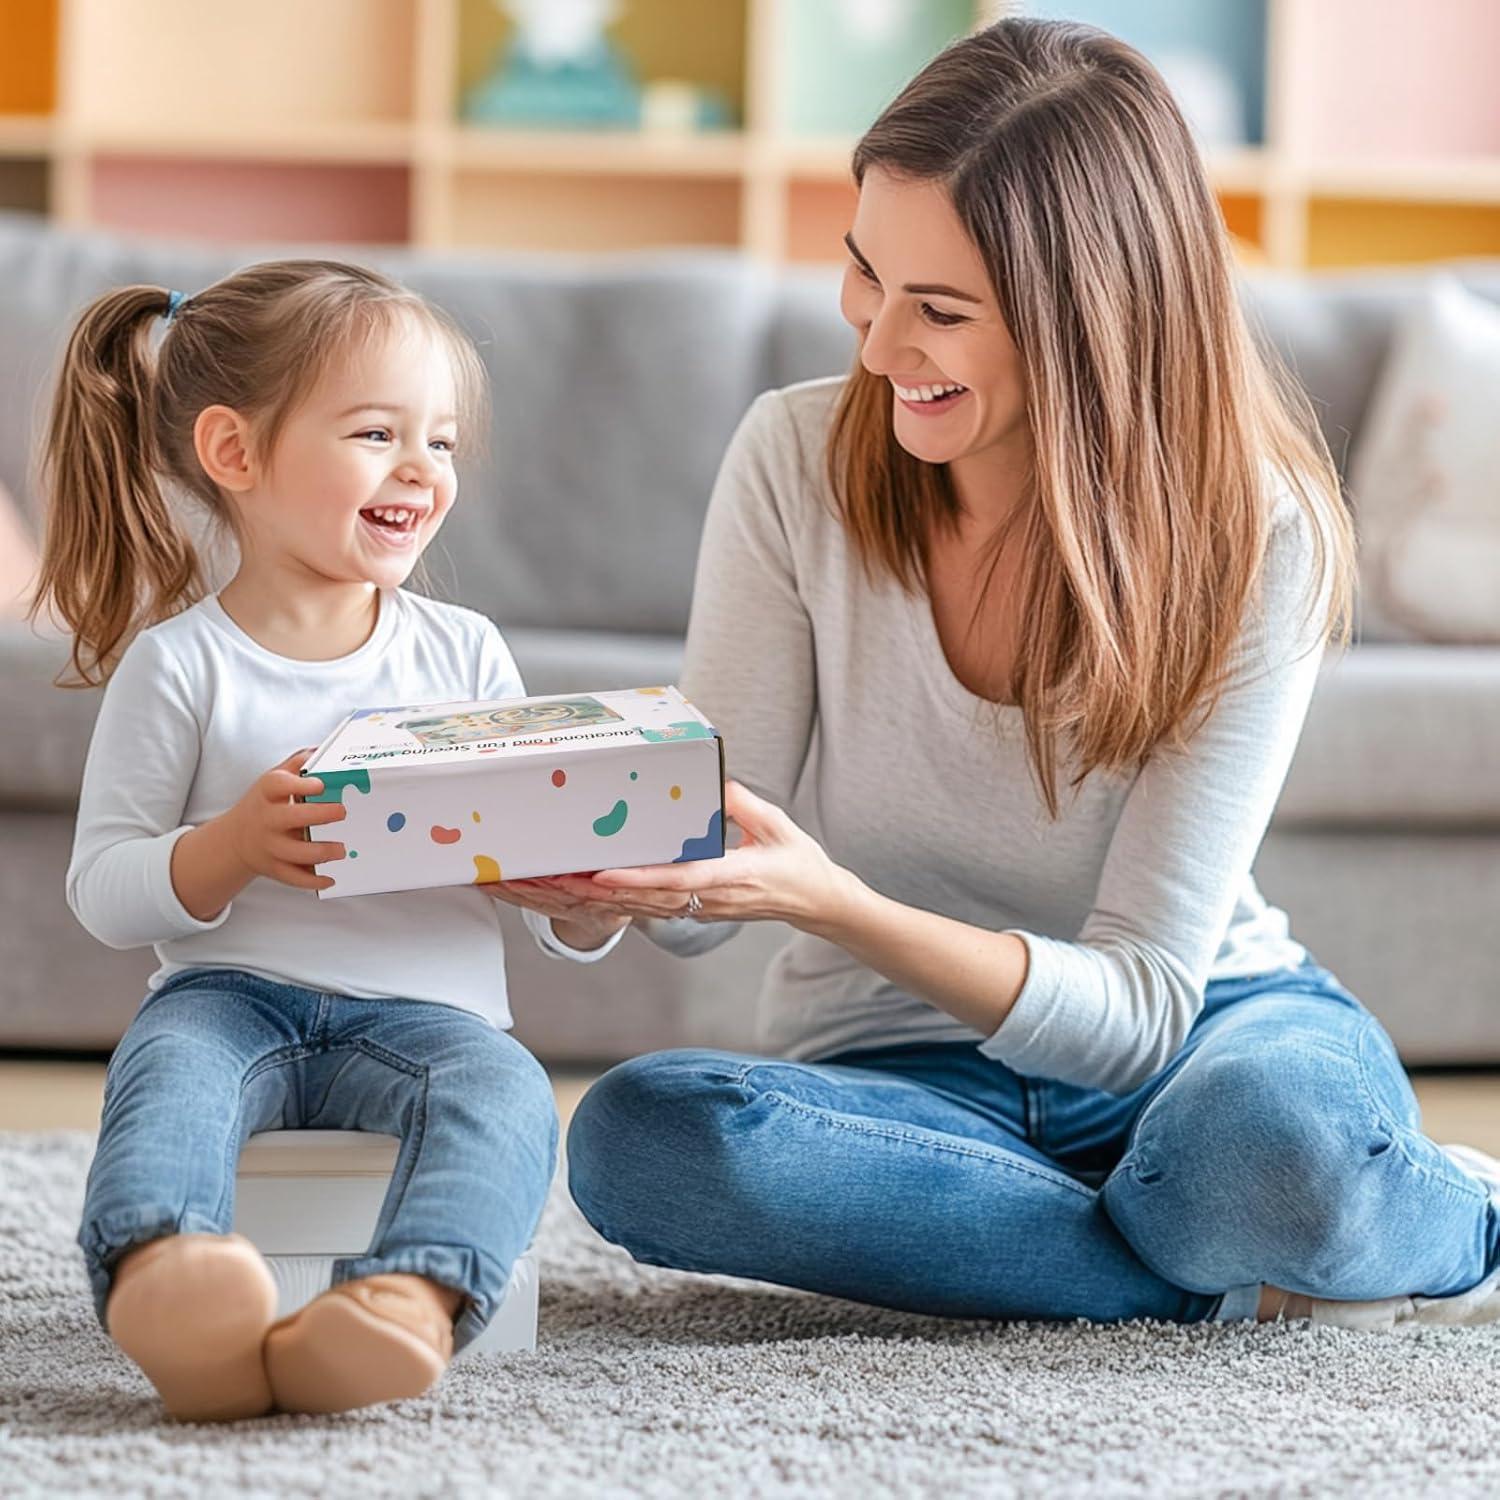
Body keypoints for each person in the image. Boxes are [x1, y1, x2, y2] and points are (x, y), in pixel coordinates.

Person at [492, 18, 1500, 1331]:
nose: (875, 346)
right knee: (650, 1137)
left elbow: (1140, 1009)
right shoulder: (793, 462)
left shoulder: (1259, 534)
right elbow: (701, 880)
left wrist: (838, 904)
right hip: (899, 1068)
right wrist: (588, 885)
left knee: (1265, 1141)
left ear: (1095, 322)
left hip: (1202, 1039)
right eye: (865, 274)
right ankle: (1215, 1261)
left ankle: (1441, 1217)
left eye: (942, 311)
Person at [30, 261, 623, 1420]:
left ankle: (406, 1299)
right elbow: (104, 891)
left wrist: (581, 904)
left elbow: (534, 877)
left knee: (505, 1097)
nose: (422, 470)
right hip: (230, 997)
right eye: (376, 434)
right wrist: (232, 845)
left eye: (442, 443)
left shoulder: (462, 656)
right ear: (235, 454)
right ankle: (166, 1278)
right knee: (167, 1078)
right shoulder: (181, 663)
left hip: (433, 1019)